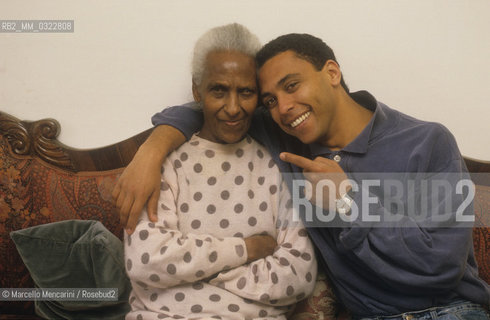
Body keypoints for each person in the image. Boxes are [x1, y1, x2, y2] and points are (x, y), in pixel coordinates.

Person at [115, 31, 490, 319]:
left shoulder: (428, 141)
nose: (283, 107)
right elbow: (213, 108)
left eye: (292, 86)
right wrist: (151, 151)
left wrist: (348, 201)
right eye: (270, 100)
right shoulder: (288, 140)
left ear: (331, 72)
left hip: (449, 311)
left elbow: (442, 265)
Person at [123, 24, 317, 320]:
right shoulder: (163, 162)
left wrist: (196, 271)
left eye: (246, 92)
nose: (233, 107)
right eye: (219, 90)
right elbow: (145, 260)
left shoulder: (276, 164)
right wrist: (246, 250)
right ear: (196, 90)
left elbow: (298, 274)